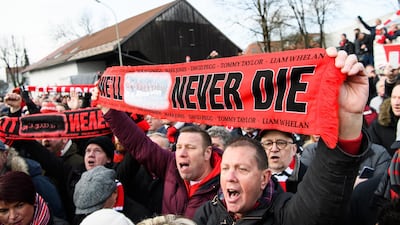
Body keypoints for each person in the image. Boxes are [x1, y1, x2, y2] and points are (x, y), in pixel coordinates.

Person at [192, 47, 370, 225]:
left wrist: (346, 119)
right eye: (225, 168)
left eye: (242, 169)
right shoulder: (207, 213)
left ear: (264, 178)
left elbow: (321, 202)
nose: (230, 176)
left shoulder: (285, 214)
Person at [92, 91, 222, 218]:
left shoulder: (226, 183)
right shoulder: (171, 165)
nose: (181, 153)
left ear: (207, 153)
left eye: (190, 147)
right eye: (179, 147)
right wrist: (108, 109)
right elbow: (139, 144)